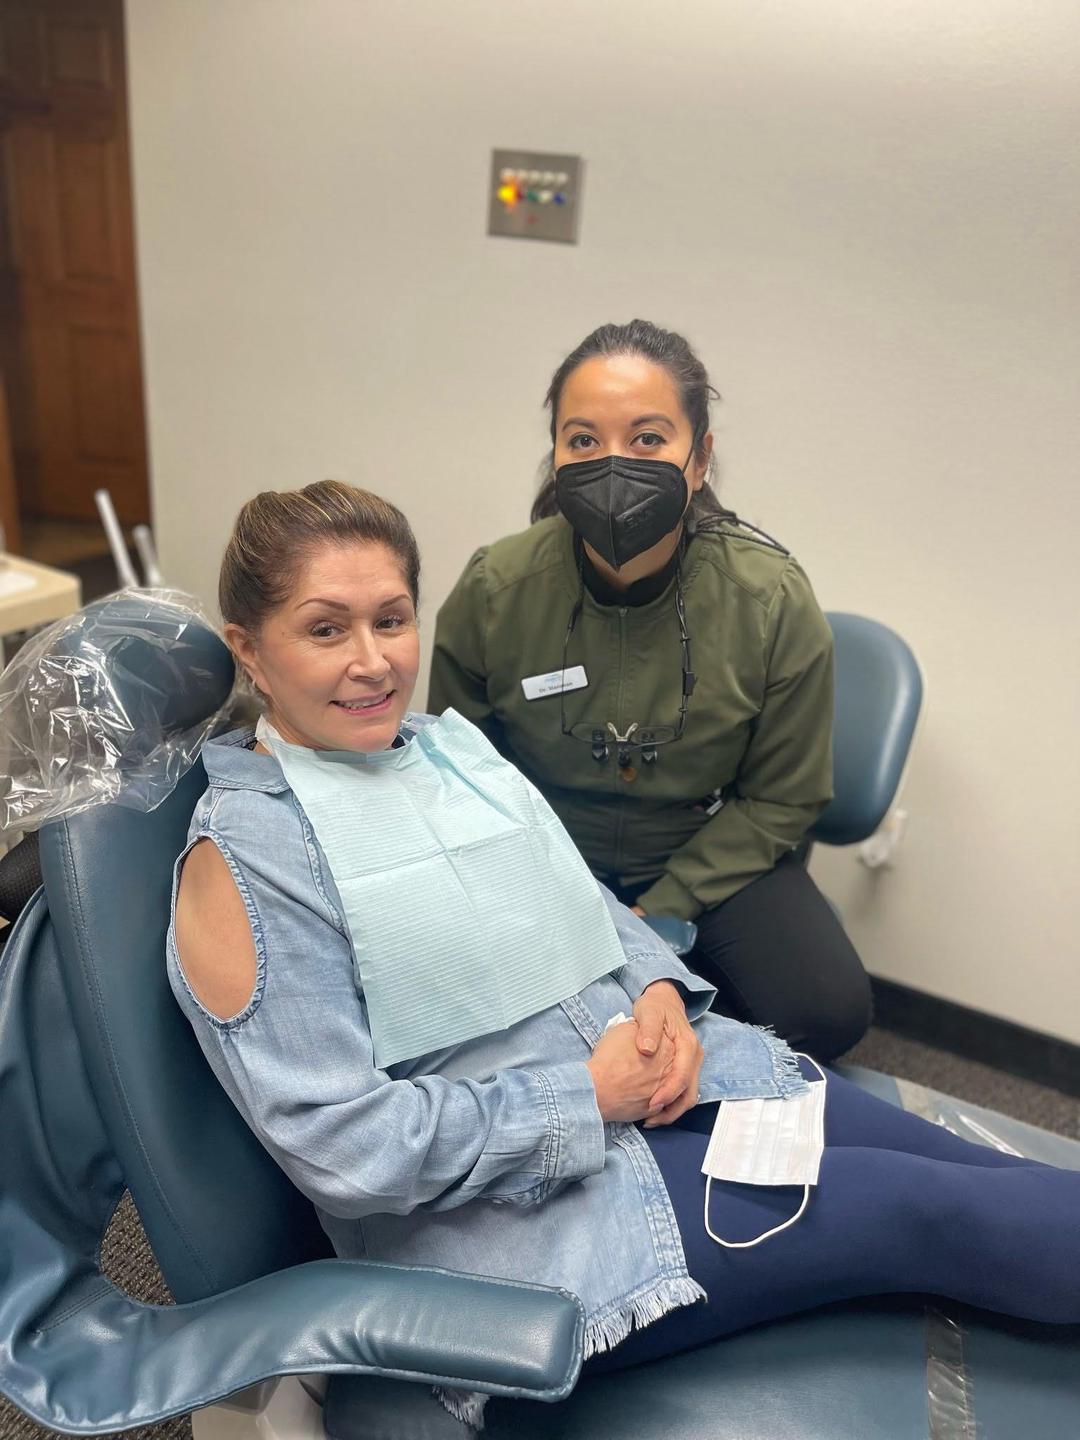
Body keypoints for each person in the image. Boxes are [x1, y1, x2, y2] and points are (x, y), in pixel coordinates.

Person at [169, 482, 1079, 1425]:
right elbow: (347, 1151)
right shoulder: (246, 861)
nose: (373, 661)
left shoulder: (442, 751)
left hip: (661, 1086)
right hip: (537, 1218)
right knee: (929, 1210)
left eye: (391, 620)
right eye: (326, 630)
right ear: (251, 650)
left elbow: (588, 899)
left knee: (976, 1172)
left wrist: (659, 994)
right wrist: (588, 1095)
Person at [428, 320, 871, 1061]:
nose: (613, 464)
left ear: (700, 458)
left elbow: (782, 800)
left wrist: (665, 906)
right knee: (434, 990)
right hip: (545, 851)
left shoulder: (769, 599)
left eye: (647, 439)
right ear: (555, 455)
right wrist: (553, 891)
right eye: (582, 440)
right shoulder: (495, 588)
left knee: (824, 1009)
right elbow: (455, 772)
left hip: (703, 851)